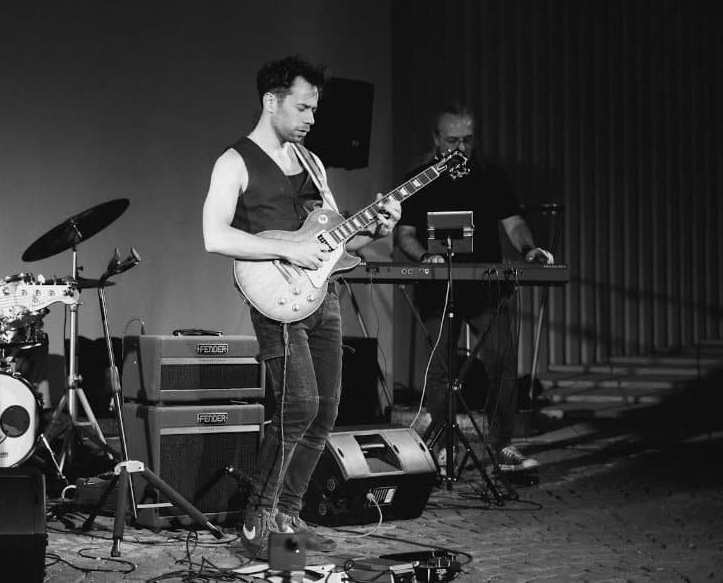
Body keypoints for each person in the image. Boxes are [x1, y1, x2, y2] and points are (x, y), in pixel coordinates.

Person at [202, 55, 400, 560]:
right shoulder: (234, 162)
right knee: (299, 407)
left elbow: (333, 232)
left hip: (322, 295)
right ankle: (255, 521)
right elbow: (214, 235)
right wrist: (288, 249)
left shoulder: (312, 161)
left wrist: (377, 225)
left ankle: (287, 518)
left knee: (327, 411)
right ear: (272, 102)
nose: (312, 117)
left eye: (315, 107)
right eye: (303, 106)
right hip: (275, 298)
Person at [393, 103, 553, 473]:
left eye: (467, 140)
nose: (460, 148)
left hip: (485, 286)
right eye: (452, 140)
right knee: (441, 365)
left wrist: (530, 249)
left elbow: (513, 224)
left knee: (501, 359)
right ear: (436, 139)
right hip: (438, 287)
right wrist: (424, 260)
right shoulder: (418, 179)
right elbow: (405, 234)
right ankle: (444, 445)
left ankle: (502, 447)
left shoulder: (491, 176)